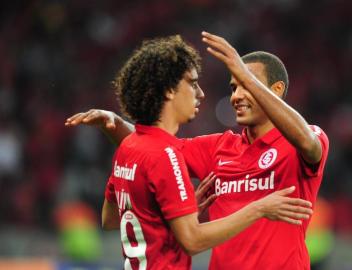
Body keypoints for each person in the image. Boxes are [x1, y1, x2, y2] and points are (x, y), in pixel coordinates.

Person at [66, 32, 329, 270]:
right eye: (233, 87)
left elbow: (308, 143)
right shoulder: (219, 147)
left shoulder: (303, 141)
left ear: (276, 90)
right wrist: (114, 124)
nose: (236, 96)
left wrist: (243, 72)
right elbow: (153, 149)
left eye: (245, 85)